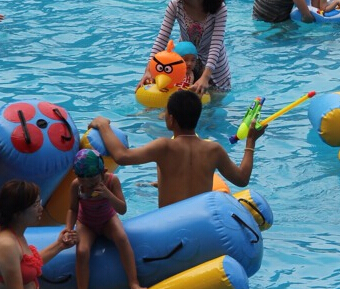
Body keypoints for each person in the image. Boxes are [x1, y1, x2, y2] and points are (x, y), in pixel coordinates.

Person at [89, 89, 267, 207]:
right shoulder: (214, 149)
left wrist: (103, 124)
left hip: (171, 223)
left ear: (171, 119)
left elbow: (122, 156)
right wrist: (250, 141)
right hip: (201, 221)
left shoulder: (164, 146)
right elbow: (242, 179)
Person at [66, 149, 146, 289]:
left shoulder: (111, 181)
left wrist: (107, 194)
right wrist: (68, 229)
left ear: (103, 172)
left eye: (93, 182)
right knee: (81, 251)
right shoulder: (76, 185)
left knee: (122, 238)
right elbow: (72, 209)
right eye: (83, 181)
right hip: (86, 223)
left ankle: (134, 283)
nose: (87, 186)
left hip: (107, 219)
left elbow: (122, 209)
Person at [138, 0, 231, 93]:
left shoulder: (218, 8)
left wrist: (205, 77)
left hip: (214, 67)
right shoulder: (176, 5)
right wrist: (149, 70)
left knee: (213, 104)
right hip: (185, 61)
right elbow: (162, 38)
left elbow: (216, 44)